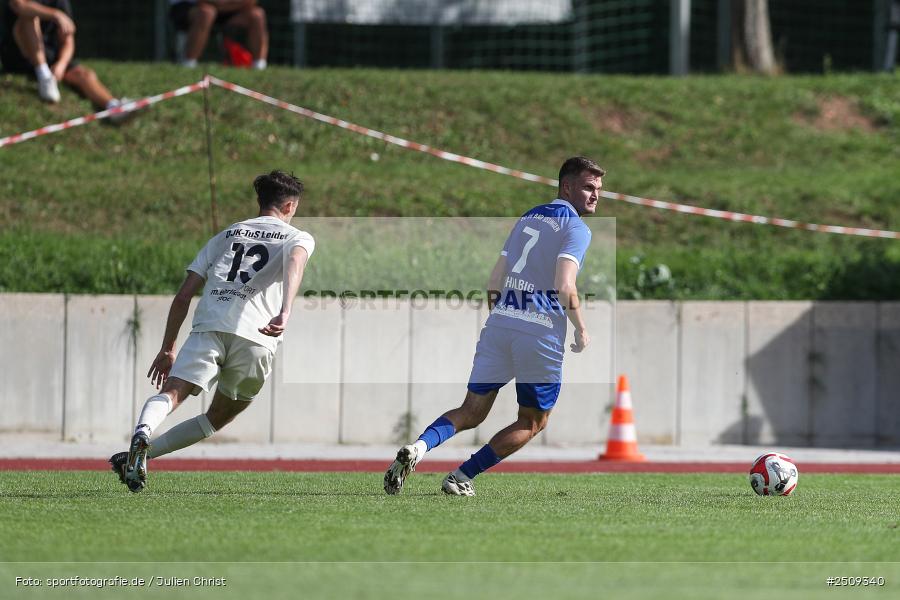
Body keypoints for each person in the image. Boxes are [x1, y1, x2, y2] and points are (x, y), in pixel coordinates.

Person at [384, 156, 604, 497]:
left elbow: (494, 281)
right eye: (588, 187)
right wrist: (581, 328)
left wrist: (501, 318)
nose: (595, 196)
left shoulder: (528, 217)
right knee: (533, 422)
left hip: (501, 324)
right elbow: (565, 285)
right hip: (540, 333)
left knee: (470, 411)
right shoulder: (577, 229)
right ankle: (460, 476)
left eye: (598, 189)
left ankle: (418, 448)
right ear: (567, 187)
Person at [110, 170, 314, 493]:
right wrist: (285, 310)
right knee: (218, 416)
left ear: (261, 201)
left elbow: (183, 295)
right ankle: (145, 456)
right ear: (289, 206)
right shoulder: (297, 237)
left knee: (172, 393)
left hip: (210, 325)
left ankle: (142, 432)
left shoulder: (226, 235)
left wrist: (168, 347)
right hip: (257, 335)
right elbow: (296, 264)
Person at [1, 0, 132, 112]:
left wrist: (61, 65)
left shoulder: (60, 2)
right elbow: (18, 6)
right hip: (20, 55)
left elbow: (68, 41)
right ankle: (44, 76)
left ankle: (113, 107)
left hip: (51, 57)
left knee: (84, 74)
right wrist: (55, 15)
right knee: (29, 16)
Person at [170, 0, 268, 70]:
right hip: (188, 6)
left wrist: (224, 6)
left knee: (257, 14)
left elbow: (250, 2)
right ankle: (188, 64)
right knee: (207, 13)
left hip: (226, 7)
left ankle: (259, 66)